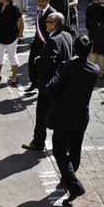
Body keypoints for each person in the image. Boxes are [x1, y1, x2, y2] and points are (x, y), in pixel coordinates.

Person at [44, 36, 98, 207]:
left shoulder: (66, 67)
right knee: (75, 151)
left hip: (63, 116)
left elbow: (51, 88)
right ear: (90, 51)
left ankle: (74, 185)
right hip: (81, 116)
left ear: (74, 49)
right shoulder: (94, 70)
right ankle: (68, 178)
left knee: (59, 151)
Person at [23, 12, 72, 151]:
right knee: (61, 115)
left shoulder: (53, 40)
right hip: (62, 83)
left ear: (54, 24)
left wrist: (38, 60)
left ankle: (38, 141)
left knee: (42, 113)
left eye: (48, 22)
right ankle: (65, 143)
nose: (46, 24)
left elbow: (49, 61)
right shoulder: (67, 35)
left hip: (49, 84)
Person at [26, 0, 56, 92]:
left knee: (42, 66)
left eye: (43, 1)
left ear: (48, 1)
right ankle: (33, 83)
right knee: (32, 63)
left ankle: (41, 85)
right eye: (39, 1)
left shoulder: (52, 13)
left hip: (46, 44)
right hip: (37, 42)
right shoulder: (40, 11)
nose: (40, 3)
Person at [85, 0, 104, 79]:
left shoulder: (89, 8)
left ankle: (91, 72)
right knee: (102, 54)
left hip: (92, 33)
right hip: (102, 34)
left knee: (93, 53)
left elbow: (87, 23)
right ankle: (102, 73)